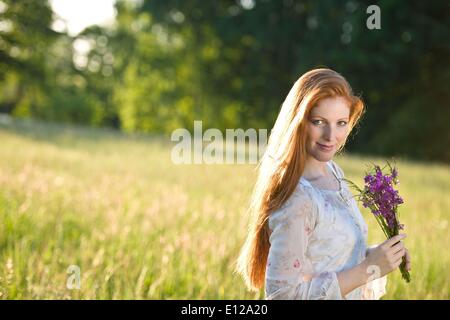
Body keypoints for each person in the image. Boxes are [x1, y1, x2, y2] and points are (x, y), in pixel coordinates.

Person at [235, 68, 411, 299]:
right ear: (298, 122)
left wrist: (379, 256)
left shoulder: (333, 172)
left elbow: (327, 258)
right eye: (319, 122)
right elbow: (282, 296)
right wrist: (368, 270)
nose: (331, 135)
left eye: (341, 122)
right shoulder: (297, 199)